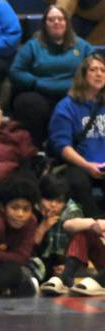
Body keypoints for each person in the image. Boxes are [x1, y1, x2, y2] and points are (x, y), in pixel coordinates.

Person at [8, 6, 92, 148]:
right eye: (51, 19)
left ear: (67, 22)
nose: (56, 22)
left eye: (60, 19)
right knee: (26, 102)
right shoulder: (32, 46)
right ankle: (36, 148)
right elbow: (16, 71)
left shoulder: (82, 46)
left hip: (74, 93)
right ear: (45, 24)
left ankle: (80, 147)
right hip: (41, 92)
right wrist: (35, 82)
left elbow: (95, 67)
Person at [48, 53, 105, 217]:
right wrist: (87, 165)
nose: (99, 74)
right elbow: (62, 147)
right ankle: (98, 227)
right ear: (83, 75)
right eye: (94, 69)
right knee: (77, 182)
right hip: (79, 164)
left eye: (103, 70)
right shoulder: (66, 107)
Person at [31, 174, 80, 295]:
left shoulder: (71, 213)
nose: (53, 205)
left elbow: (74, 246)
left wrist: (65, 265)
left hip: (58, 260)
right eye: (48, 199)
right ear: (39, 197)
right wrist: (43, 227)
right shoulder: (30, 212)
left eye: (59, 201)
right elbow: (27, 248)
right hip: (33, 259)